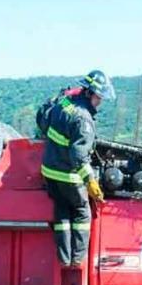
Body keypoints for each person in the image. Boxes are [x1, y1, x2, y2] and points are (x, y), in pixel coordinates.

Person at [37, 70, 115, 267]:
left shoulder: (64, 103)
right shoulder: (84, 120)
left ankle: (64, 258)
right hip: (68, 176)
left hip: (48, 171)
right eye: (99, 97)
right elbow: (79, 156)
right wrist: (90, 181)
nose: (100, 102)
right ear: (89, 93)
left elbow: (44, 121)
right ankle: (77, 258)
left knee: (62, 209)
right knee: (81, 211)